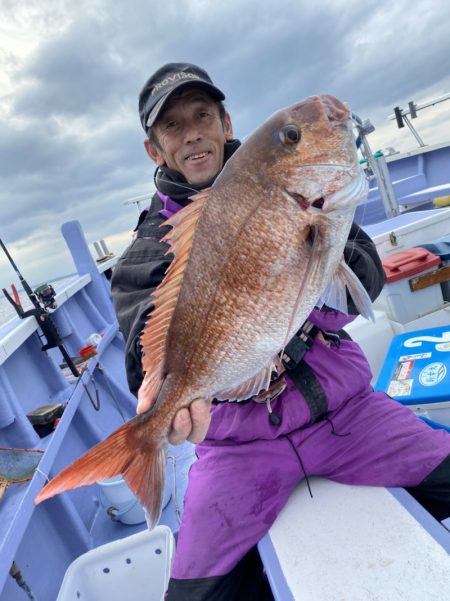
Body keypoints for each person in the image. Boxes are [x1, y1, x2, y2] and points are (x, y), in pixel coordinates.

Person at [111, 63, 450, 601]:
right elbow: (141, 357)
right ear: (155, 150)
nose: (192, 132)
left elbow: (362, 285)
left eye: (203, 115)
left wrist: (304, 258)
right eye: (173, 126)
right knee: (195, 594)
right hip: (236, 449)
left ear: (226, 124)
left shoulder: (290, 187)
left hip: (348, 414)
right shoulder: (146, 254)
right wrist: (164, 402)